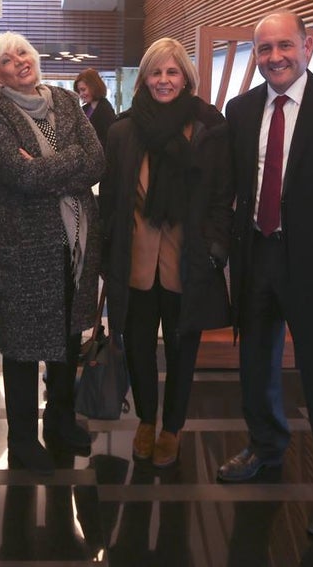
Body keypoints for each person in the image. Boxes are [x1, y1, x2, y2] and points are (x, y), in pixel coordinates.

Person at [217, 10, 313, 538]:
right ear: (255, 55)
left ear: (307, 46)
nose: (275, 57)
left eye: (285, 46)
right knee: (255, 363)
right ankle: (265, 445)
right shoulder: (239, 110)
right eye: (265, 49)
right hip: (257, 255)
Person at [0, 31, 104, 475]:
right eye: (6, 60)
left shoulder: (67, 100)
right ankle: (23, 438)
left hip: (75, 244)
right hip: (24, 249)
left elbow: (98, 160)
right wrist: (66, 163)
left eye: (23, 53)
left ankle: (61, 421)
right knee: (22, 346)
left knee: (69, 337)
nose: (18, 62)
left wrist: (41, 167)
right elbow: (16, 174)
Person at [100, 37, 232, 468]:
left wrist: (215, 246)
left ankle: (172, 427)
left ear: (186, 78)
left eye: (172, 72)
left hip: (187, 262)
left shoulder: (209, 131)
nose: (163, 80)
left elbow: (221, 196)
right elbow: (111, 201)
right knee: (138, 344)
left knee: (182, 348)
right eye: (156, 72)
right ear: (144, 79)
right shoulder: (122, 131)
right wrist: (106, 256)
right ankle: (145, 420)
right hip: (135, 261)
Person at [74, 68, 116, 147]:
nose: (81, 94)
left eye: (83, 90)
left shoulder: (105, 109)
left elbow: (108, 139)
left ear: (94, 87)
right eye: (79, 91)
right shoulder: (85, 108)